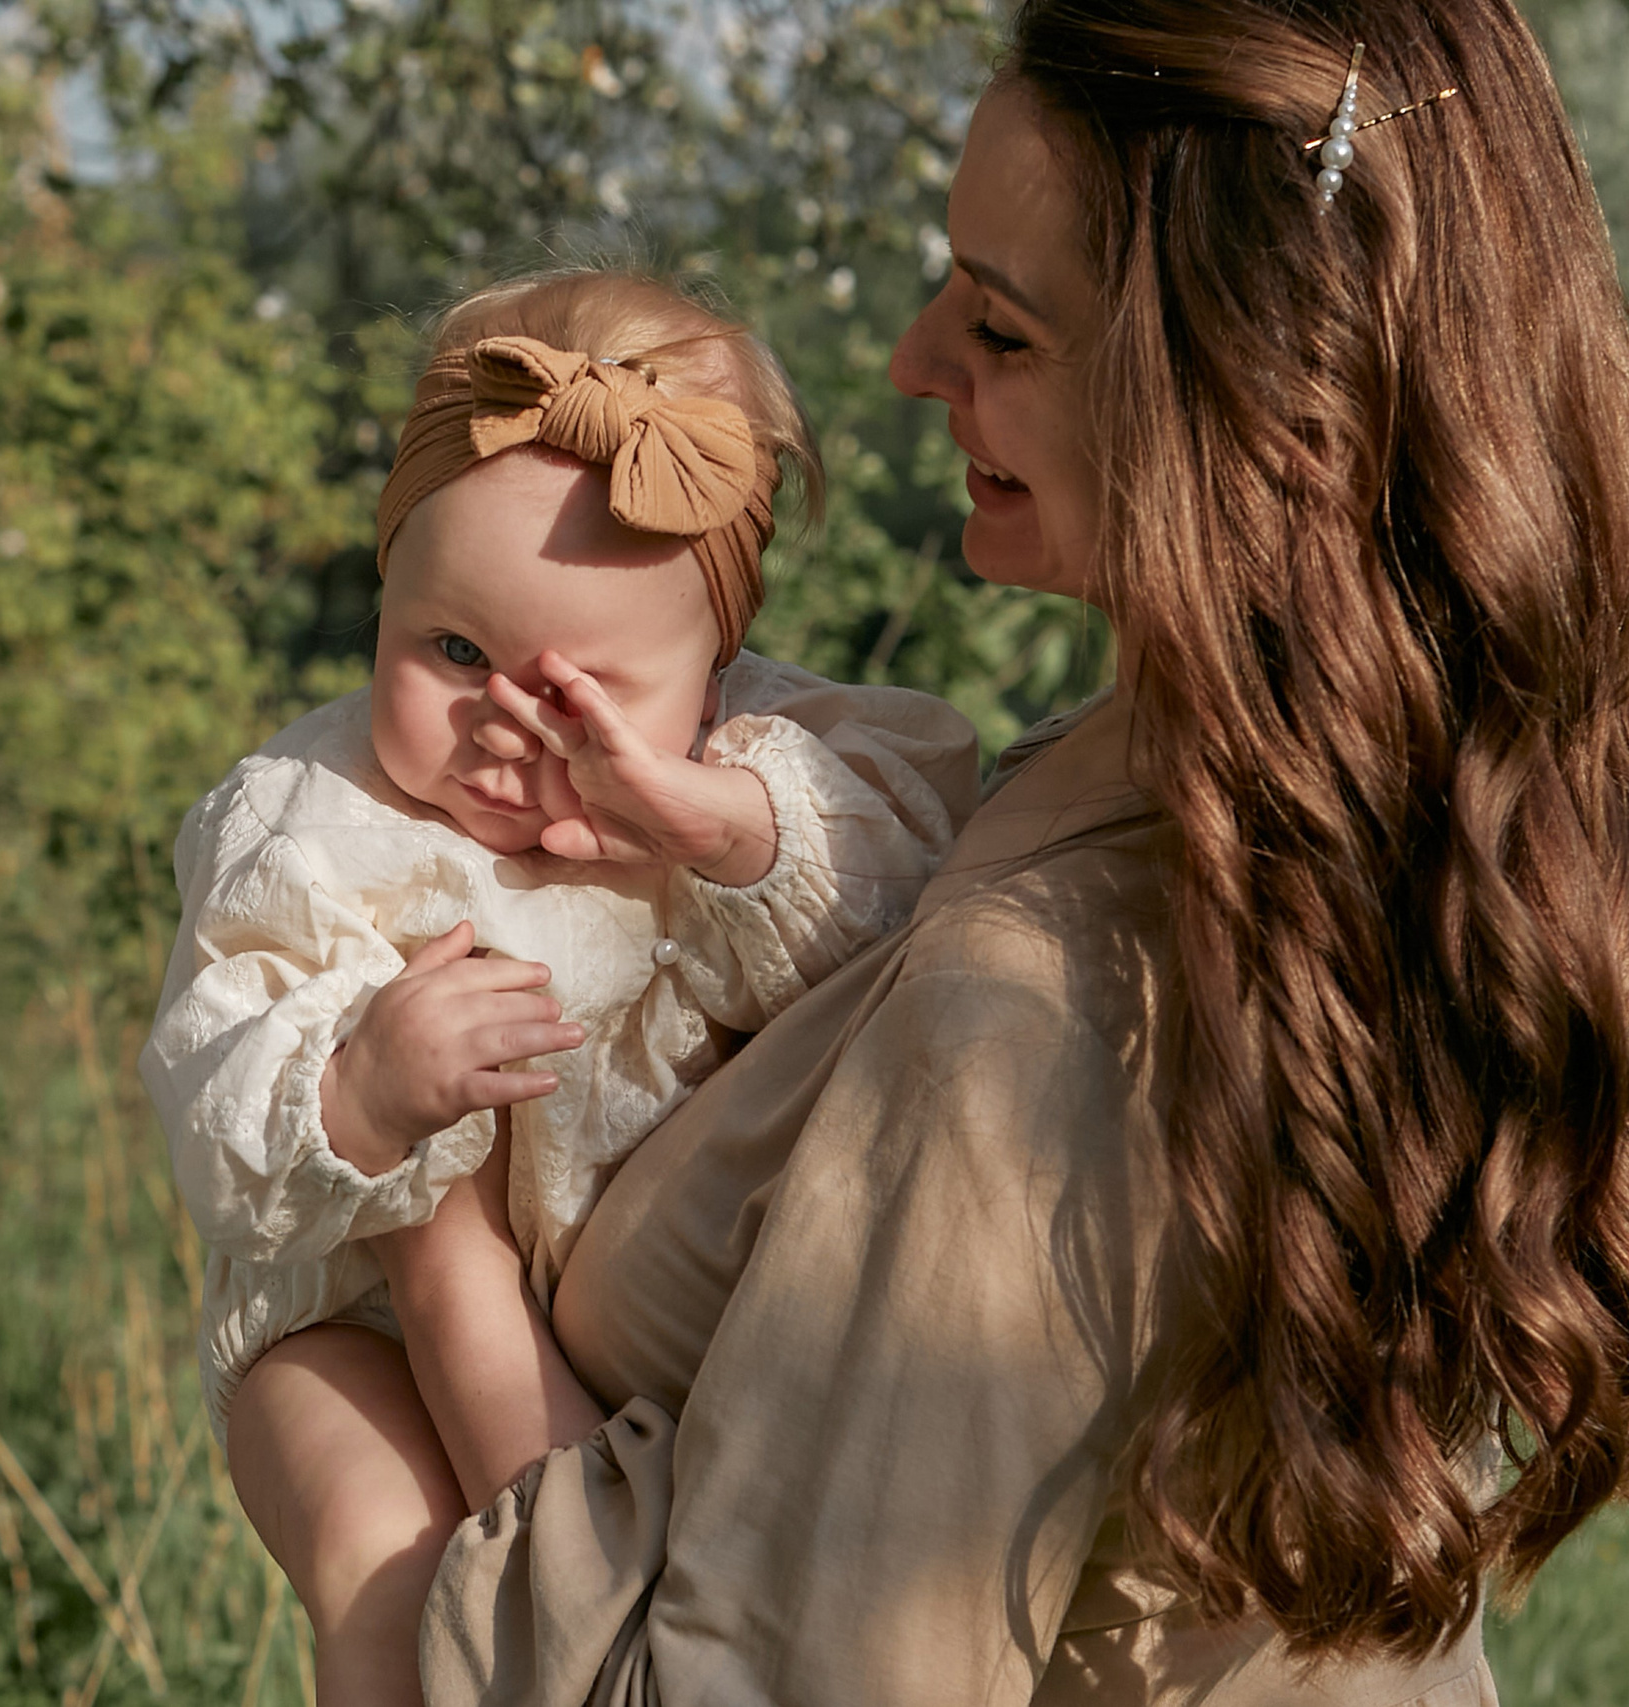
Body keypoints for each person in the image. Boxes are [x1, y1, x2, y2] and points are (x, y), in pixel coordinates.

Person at [380, 2, 1629, 1702]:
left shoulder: (1044, 1011)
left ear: (1266, 400)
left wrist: (414, 1297)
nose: (909, 360)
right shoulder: (1306, 840)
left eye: (1005, 327)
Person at [142, 271, 981, 1705]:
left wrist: (718, 826)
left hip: (651, 1346)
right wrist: (356, 1089)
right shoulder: (308, 822)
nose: (506, 731)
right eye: (450, 651)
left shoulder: (757, 759)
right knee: (388, 1568)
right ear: (386, 587)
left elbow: (909, 886)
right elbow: (212, 1101)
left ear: (716, 672)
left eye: (588, 692)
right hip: (355, 1331)